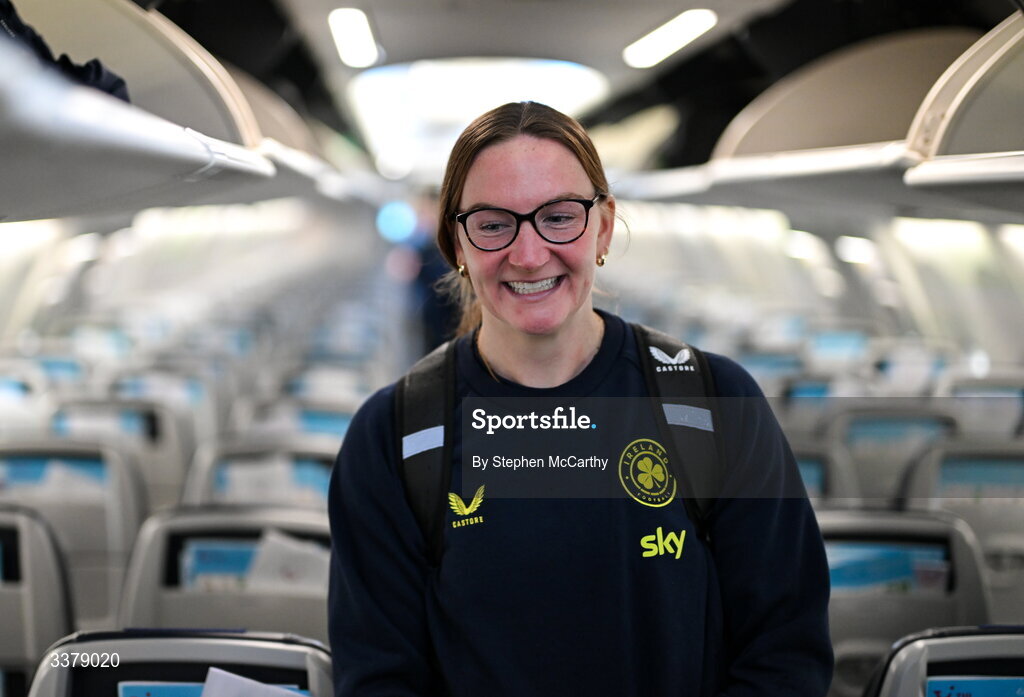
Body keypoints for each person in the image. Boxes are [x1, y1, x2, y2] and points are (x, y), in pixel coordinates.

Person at [328, 101, 833, 696]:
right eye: (493, 224)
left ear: (603, 225)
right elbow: (380, 681)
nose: (529, 253)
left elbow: (784, 656)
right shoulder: (393, 436)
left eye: (559, 217)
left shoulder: (715, 403)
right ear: (456, 244)